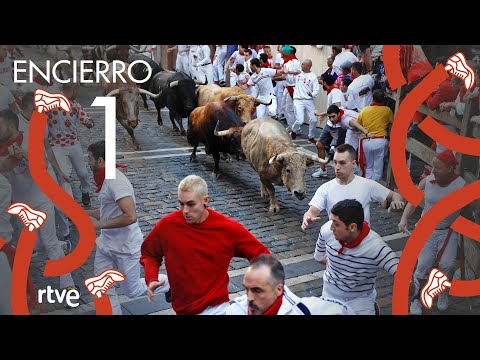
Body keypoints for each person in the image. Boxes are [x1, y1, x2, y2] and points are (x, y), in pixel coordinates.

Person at [140, 174, 270, 315]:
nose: (185, 211)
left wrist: (257, 288)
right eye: (181, 204)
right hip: (181, 308)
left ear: (205, 201)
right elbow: (150, 254)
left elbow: (263, 256)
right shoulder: (166, 226)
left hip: (217, 307)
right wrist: (151, 278)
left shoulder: (227, 228)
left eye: (190, 204)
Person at [86, 140, 170, 315]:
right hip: (107, 245)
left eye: (90, 159)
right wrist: (81, 213)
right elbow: (107, 211)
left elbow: (130, 216)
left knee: (132, 291)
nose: (88, 162)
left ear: (100, 161)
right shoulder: (105, 179)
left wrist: (99, 225)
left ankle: (171, 283)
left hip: (126, 247)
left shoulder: (116, 182)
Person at [0, 109, 77, 300]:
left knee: (49, 243)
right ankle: (62, 246)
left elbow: (42, 164)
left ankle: (68, 288)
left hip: (41, 199)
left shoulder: (29, 140)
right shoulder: (1, 148)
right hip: (20, 206)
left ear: (10, 126)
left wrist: (25, 155)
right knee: (35, 246)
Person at [398, 150, 467, 314]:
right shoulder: (427, 181)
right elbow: (414, 201)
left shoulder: (461, 185)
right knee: (423, 265)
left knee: (447, 265)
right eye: (433, 166)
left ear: (450, 168)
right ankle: (416, 299)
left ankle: (442, 291)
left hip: (447, 231)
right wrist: (404, 219)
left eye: (438, 167)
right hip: (426, 230)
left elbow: (467, 209)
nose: (433, 170)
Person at [314, 199, 399, 314]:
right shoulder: (326, 231)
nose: (331, 227)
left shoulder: (376, 247)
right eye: (331, 221)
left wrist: (409, 285)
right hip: (330, 293)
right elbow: (318, 257)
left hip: (360, 298)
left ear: (352, 227)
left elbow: (402, 272)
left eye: (336, 224)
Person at [302, 143, 405, 232]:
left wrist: (397, 201)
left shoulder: (367, 185)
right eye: (335, 162)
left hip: (363, 244)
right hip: (337, 242)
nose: (337, 167)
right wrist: (307, 217)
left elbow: (395, 195)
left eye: (342, 163)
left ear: (353, 164)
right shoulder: (325, 188)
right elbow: (312, 211)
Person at [226, 254, 354, 315]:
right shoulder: (235, 310)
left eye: (257, 290)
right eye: (246, 289)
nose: (249, 297)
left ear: (279, 289)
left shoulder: (308, 311)